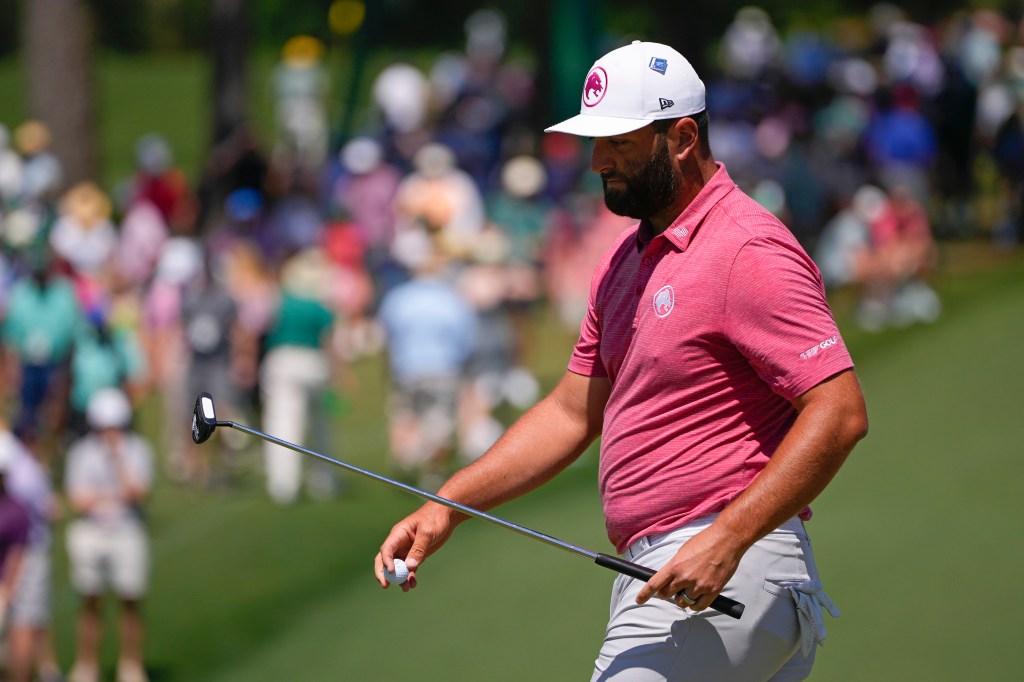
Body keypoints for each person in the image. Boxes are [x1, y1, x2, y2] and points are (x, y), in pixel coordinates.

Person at [375, 41, 868, 681]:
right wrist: (449, 502)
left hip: (726, 561)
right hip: (685, 571)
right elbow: (570, 413)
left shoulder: (746, 248)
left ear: (683, 137)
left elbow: (839, 411)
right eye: (595, 142)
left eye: (620, 143)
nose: (597, 161)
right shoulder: (626, 260)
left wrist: (726, 538)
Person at [64, 388, 155, 682]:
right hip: (92, 532)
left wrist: (117, 462)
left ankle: (131, 665)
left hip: (127, 531)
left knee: (130, 600)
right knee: (91, 600)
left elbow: (138, 493)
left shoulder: (137, 450)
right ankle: (86, 664)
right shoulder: (81, 452)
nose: (110, 433)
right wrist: (112, 496)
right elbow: (78, 500)